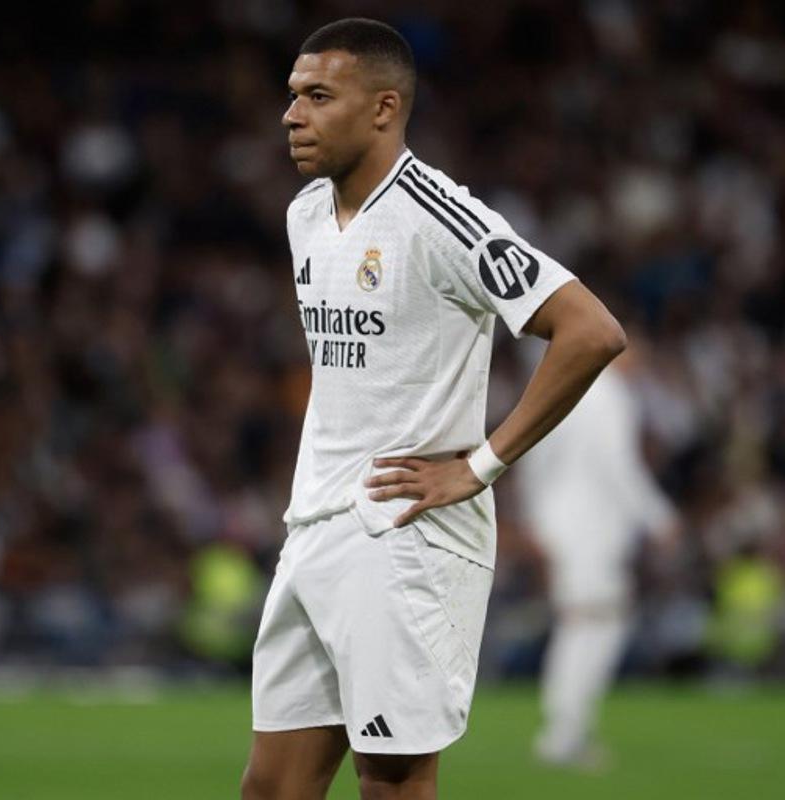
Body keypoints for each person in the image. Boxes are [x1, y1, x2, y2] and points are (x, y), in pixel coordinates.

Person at [240, 18, 628, 800]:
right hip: (313, 524)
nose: (292, 115)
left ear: (384, 108)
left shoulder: (441, 217)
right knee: (271, 789)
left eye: (318, 96)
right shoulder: (305, 215)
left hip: (403, 538)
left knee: (390, 783)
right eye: (293, 95)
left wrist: (480, 466)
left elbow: (591, 331)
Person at [515, 341, 681, 771]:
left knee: (585, 622)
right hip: (590, 529)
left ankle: (565, 728)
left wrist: (535, 518)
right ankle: (563, 734)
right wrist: (659, 518)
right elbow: (618, 467)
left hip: (563, 524)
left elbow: (532, 455)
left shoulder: (566, 388)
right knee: (594, 624)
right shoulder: (609, 397)